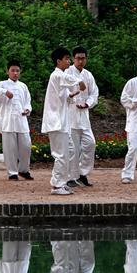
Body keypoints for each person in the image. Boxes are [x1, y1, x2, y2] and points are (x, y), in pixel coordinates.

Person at [41, 47, 86, 196]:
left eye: (69, 58)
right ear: (58, 61)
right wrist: (79, 81)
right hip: (56, 122)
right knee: (61, 154)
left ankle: (62, 181)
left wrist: (72, 95)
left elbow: (65, 98)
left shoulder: (62, 77)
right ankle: (57, 185)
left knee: (71, 151)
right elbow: (67, 80)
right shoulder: (56, 75)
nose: (69, 61)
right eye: (66, 59)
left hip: (63, 121)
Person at [0, 60, 33, 181]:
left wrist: (28, 109)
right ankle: (12, 172)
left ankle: (23, 170)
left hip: (22, 120)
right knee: (10, 149)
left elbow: (28, 101)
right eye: (12, 70)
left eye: (17, 71)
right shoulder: (2, 84)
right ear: (7, 71)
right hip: (8, 121)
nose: (15, 73)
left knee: (26, 146)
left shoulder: (23, 86)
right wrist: (4, 91)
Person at [65, 46, 98, 187]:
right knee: (73, 148)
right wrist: (73, 99)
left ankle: (82, 173)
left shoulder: (88, 75)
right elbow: (62, 92)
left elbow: (94, 94)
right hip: (71, 115)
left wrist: (87, 104)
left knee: (90, 144)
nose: (80, 61)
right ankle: (71, 177)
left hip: (84, 116)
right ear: (73, 59)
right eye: (78, 58)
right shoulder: (67, 73)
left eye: (83, 58)